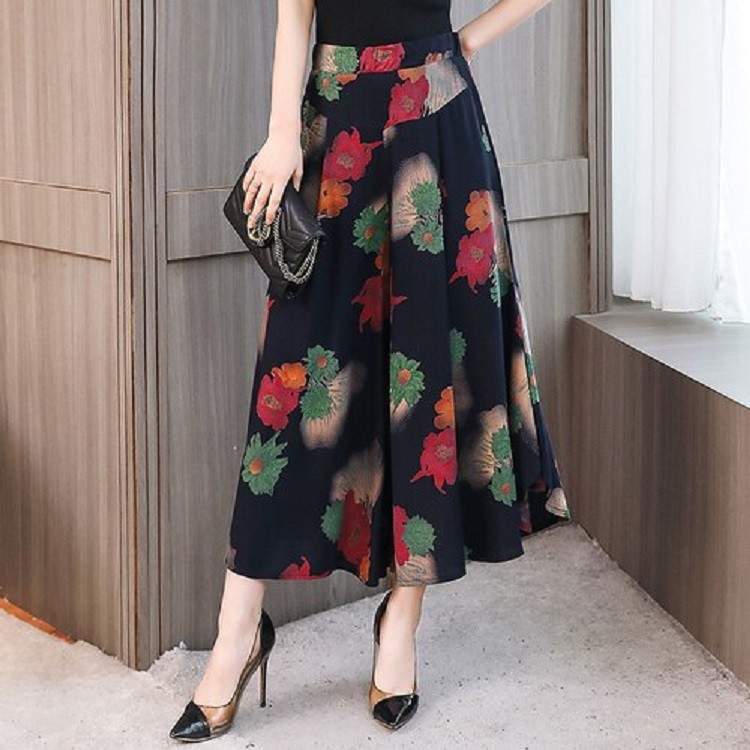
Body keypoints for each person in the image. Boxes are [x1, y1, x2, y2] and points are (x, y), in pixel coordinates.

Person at [170, 0, 570, 742]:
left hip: (437, 121)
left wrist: (466, 43)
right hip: (335, 126)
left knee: (431, 375)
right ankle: (238, 633)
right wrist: (281, 134)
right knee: (292, 386)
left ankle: (401, 623)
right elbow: (295, 14)